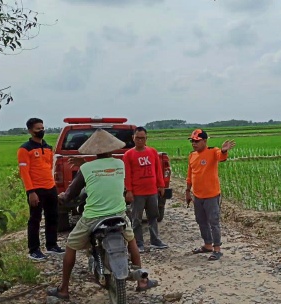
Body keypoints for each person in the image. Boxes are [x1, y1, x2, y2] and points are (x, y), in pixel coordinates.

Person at [47, 129, 158, 300]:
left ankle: (64, 289)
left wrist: (62, 198)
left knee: (70, 246)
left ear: (92, 150)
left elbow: (71, 194)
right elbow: (105, 168)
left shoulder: (85, 168)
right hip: (119, 214)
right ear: (112, 148)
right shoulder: (119, 164)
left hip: (93, 217)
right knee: (131, 241)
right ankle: (142, 282)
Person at [17, 117, 65, 261]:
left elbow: (49, 167)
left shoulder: (48, 147)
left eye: (42, 128)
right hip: (36, 189)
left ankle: (51, 245)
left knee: (53, 217)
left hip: (50, 187)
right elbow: (24, 173)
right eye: (38, 129)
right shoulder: (25, 149)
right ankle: (34, 250)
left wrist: (53, 186)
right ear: (30, 131)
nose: (41, 131)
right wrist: (31, 192)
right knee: (35, 220)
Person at [185, 129, 236, 261]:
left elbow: (221, 156)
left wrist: (224, 150)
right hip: (198, 195)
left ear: (205, 141)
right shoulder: (192, 155)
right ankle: (207, 245)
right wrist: (187, 191)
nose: (194, 144)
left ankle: (217, 249)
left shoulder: (213, 152)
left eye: (197, 141)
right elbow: (190, 175)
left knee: (214, 222)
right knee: (201, 221)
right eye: (192, 141)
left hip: (212, 195)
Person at [122, 126, 168, 252]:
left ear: (146, 138)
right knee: (136, 219)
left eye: (142, 138)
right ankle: (138, 243)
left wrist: (161, 185)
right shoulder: (128, 155)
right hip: (137, 193)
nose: (140, 141)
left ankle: (155, 240)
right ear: (133, 138)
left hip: (152, 191)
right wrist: (129, 190)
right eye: (137, 138)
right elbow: (127, 174)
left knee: (153, 216)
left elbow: (158, 170)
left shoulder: (152, 152)